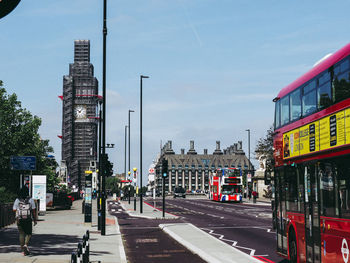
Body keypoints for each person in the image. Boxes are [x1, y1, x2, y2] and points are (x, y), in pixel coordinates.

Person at [13, 187, 37, 256]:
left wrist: (19, 211)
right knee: (29, 233)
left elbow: (14, 209)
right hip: (28, 219)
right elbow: (33, 210)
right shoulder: (31, 200)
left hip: (19, 219)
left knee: (21, 233)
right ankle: (26, 245)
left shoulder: (17, 200)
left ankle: (23, 250)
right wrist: (34, 219)